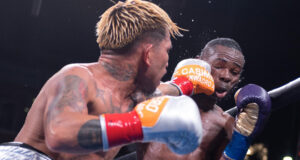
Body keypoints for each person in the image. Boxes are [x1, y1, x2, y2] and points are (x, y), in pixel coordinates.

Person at [0, 0, 207, 159]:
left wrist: (186, 84)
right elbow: (60, 133)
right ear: (149, 54)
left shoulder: (137, 96)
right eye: (167, 51)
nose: (167, 61)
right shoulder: (77, 77)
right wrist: (136, 125)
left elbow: (165, 90)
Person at [137, 38, 271, 160]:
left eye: (234, 72)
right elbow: (126, 102)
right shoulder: (162, 95)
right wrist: (180, 85)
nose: (226, 76)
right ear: (199, 63)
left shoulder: (226, 124)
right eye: (218, 66)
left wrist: (242, 137)